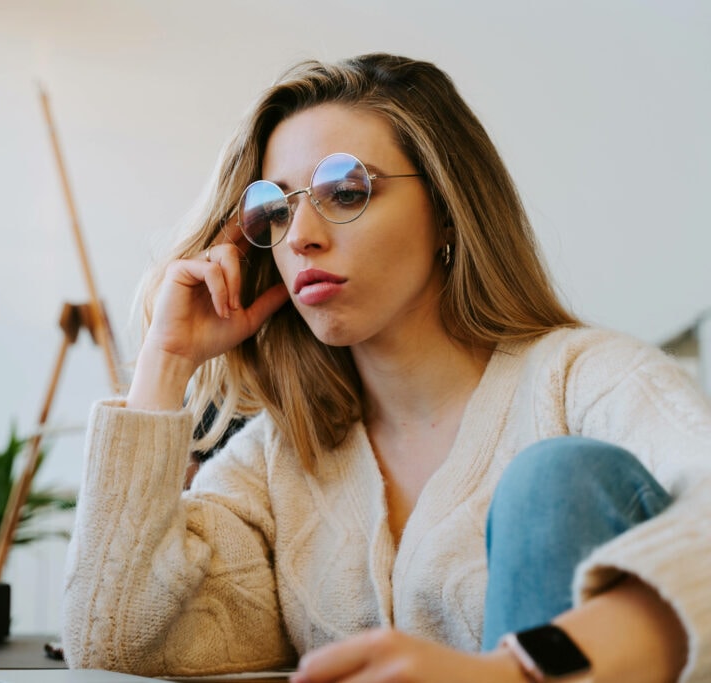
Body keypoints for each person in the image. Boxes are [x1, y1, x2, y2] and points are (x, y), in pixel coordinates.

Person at [61, 53, 711, 682]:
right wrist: (166, 360)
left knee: (556, 476)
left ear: (447, 212)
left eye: (346, 190)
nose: (301, 234)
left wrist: (511, 672)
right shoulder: (280, 461)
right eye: (276, 208)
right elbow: (115, 640)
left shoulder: (584, 380)